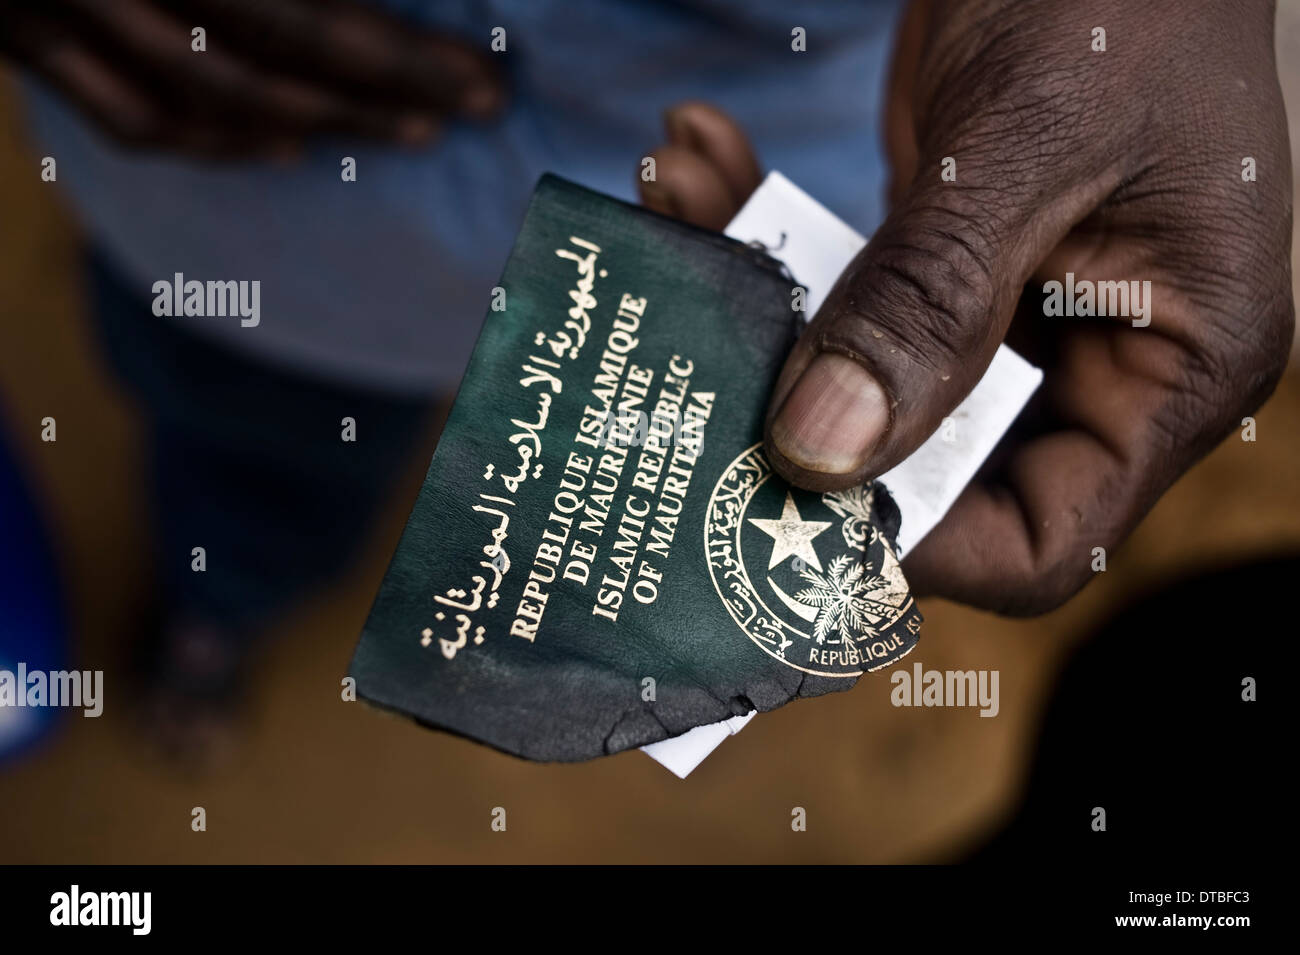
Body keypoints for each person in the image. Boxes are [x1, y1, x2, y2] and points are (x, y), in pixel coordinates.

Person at [1, 0, 1291, 754]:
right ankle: (223, 603)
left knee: (612, 489)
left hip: (782, 197)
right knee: (255, 451)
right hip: (248, 218)